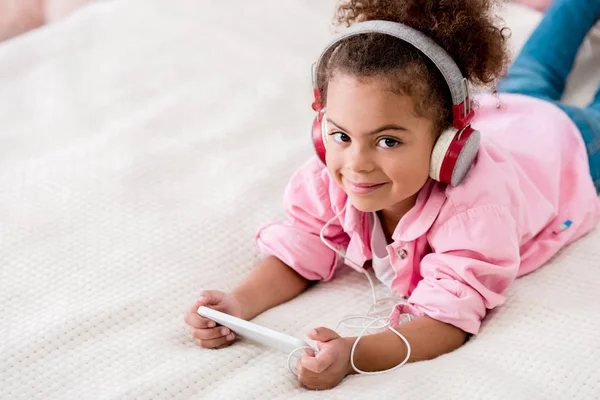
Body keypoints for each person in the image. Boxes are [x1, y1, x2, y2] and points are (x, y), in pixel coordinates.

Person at [185, 0, 600, 390]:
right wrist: (237, 305)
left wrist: (354, 355)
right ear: (320, 129)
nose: (357, 164)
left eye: (387, 141)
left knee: (562, 93)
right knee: (533, 74)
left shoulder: (474, 211)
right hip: (510, 111)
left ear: (447, 145)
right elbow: (304, 246)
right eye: (342, 135)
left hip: (567, 146)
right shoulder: (328, 180)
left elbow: (448, 320)